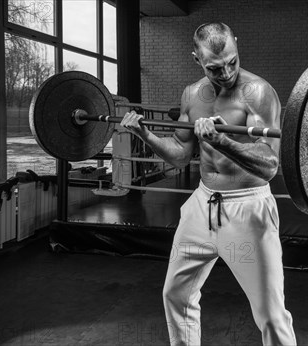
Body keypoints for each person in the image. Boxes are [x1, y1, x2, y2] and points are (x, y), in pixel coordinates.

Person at [120, 22, 296, 346]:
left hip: (248, 210)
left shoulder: (258, 92)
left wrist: (222, 140)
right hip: (203, 207)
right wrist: (144, 134)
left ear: (236, 46)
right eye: (215, 68)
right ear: (196, 60)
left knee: (271, 314)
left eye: (232, 62)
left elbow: (270, 166)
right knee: (176, 294)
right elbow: (179, 156)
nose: (227, 73)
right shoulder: (192, 94)